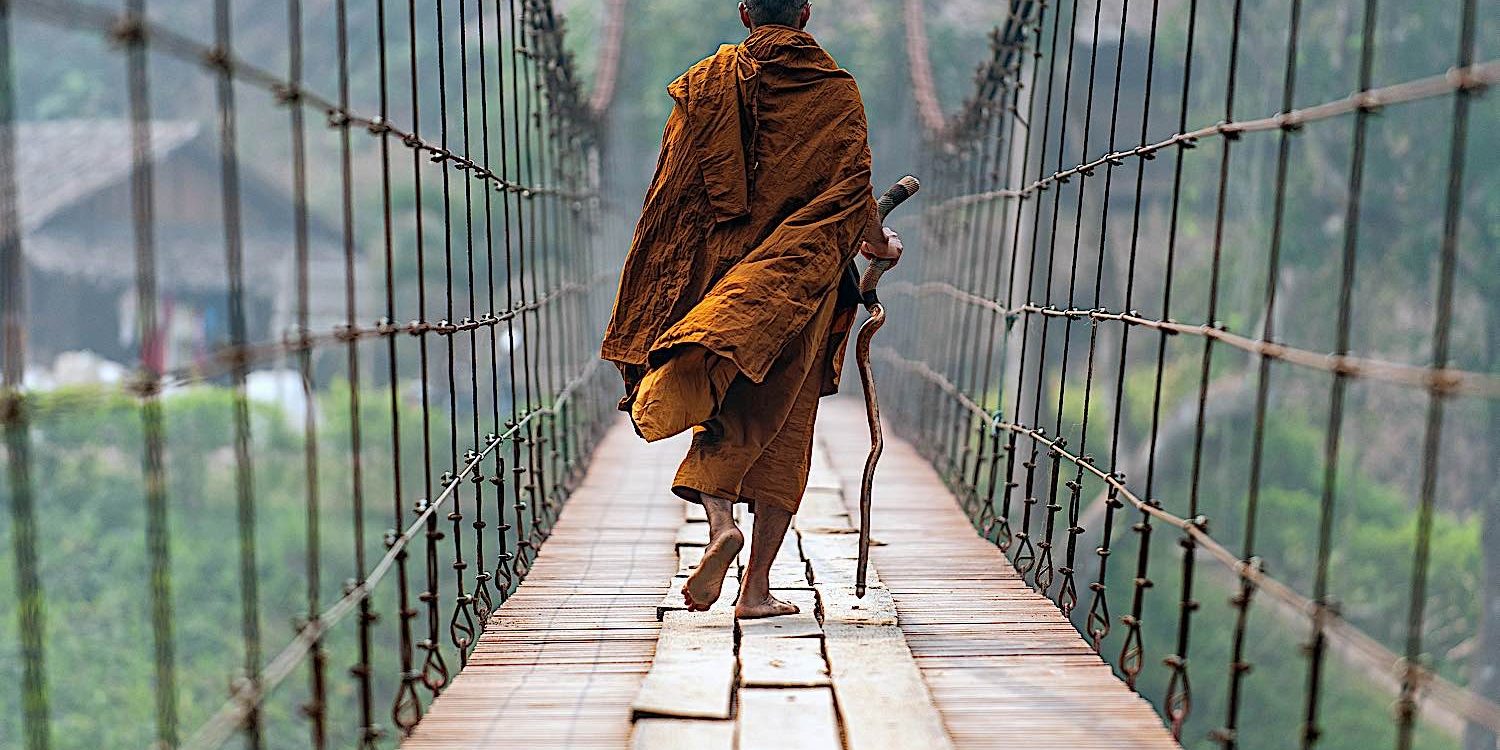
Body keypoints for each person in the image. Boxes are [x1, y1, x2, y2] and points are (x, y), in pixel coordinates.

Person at [600, 0, 902, 619]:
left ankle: (718, 532)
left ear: (744, 13)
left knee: (724, 412)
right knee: (785, 427)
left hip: (726, 282)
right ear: (807, 13)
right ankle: (756, 589)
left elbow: (674, 191)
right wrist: (880, 246)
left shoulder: (707, 83)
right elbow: (853, 191)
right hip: (800, 283)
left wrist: (666, 280)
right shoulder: (835, 91)